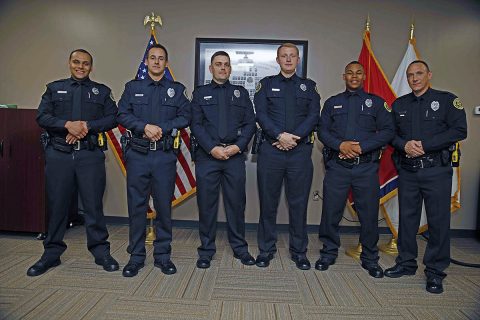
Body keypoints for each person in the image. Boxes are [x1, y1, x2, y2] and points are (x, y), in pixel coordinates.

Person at [28, 49, 119, 276]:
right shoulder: (53, 88)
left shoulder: (102, 92)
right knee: (57, 205)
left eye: (85, 63)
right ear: (69, 63)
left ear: (91, 66)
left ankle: (100, 251)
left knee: (93, 206)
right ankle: (51, 253)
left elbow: (113, 117)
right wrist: (67, 124)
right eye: (76, 62)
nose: (81, 66)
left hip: (89, 155)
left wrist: (86, 127)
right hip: (60, 154)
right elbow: (42, 116)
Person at [384, 60, 467, 293]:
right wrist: (404, 145)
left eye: (419, 73)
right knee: (407, 220)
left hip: (436, 172)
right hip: (408, 171)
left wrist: (425, 145)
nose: (414, 78)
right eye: (410, 75)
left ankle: (435, 272)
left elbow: (460, 130)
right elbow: (391, 134)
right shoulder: (399, 104)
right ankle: (406, 263)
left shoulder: (447, 100)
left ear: (429, 74)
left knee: (438, 223)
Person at [117, 44, 190, 277]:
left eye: (161, 59)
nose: (157, 62)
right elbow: (122, 114)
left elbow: (186, 115)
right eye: (152, 58)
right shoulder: (132, 87)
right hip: (138, 155)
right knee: (137, 207)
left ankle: (163, 256)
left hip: (164, 156)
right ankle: (136, 256)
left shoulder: (177, 90)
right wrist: (144, 127)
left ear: (166, 64)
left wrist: (162, 128)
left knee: (163, 208)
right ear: (146, 62)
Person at [316, 61, 394, 278]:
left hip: (366, 168)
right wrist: (340, 145)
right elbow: (322, 130)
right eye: (350, 73)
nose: (354, 76)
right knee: (330, 212)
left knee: (369, 215)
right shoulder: (333, 103)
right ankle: (328, 252)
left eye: (358, 73)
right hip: (337, 167)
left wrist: (361, 147)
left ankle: (370, 258)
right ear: (344, 76)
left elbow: (388, 131)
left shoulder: (376, 103)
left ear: (364, 76)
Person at [254, 43, 320, 270]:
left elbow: (313, 116)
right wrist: (280, 136)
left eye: (292, 56)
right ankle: (265, 250)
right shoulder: (266, 85)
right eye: (284, 56)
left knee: (298, 204)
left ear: (298, 59)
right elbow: (261, 114)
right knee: (268, 203)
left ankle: (299, 252)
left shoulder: (308, 87)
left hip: (299, 153)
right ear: (277, 59)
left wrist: (295, 138)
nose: (288, 59)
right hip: (271, 151)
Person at [190, 51, 256, 268]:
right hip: (208, 158)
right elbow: (196, 125)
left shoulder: (240, 93)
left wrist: (237, 147)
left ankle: (240, 248)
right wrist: (212, 148)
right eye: (218, 64)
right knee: (207, 205)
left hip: (234, 157)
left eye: (226, 65)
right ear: (211, 68)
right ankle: (206, 251)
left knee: (236, 204)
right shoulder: (200, 94)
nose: (223, 68)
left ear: (230, 68)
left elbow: (250, 124)